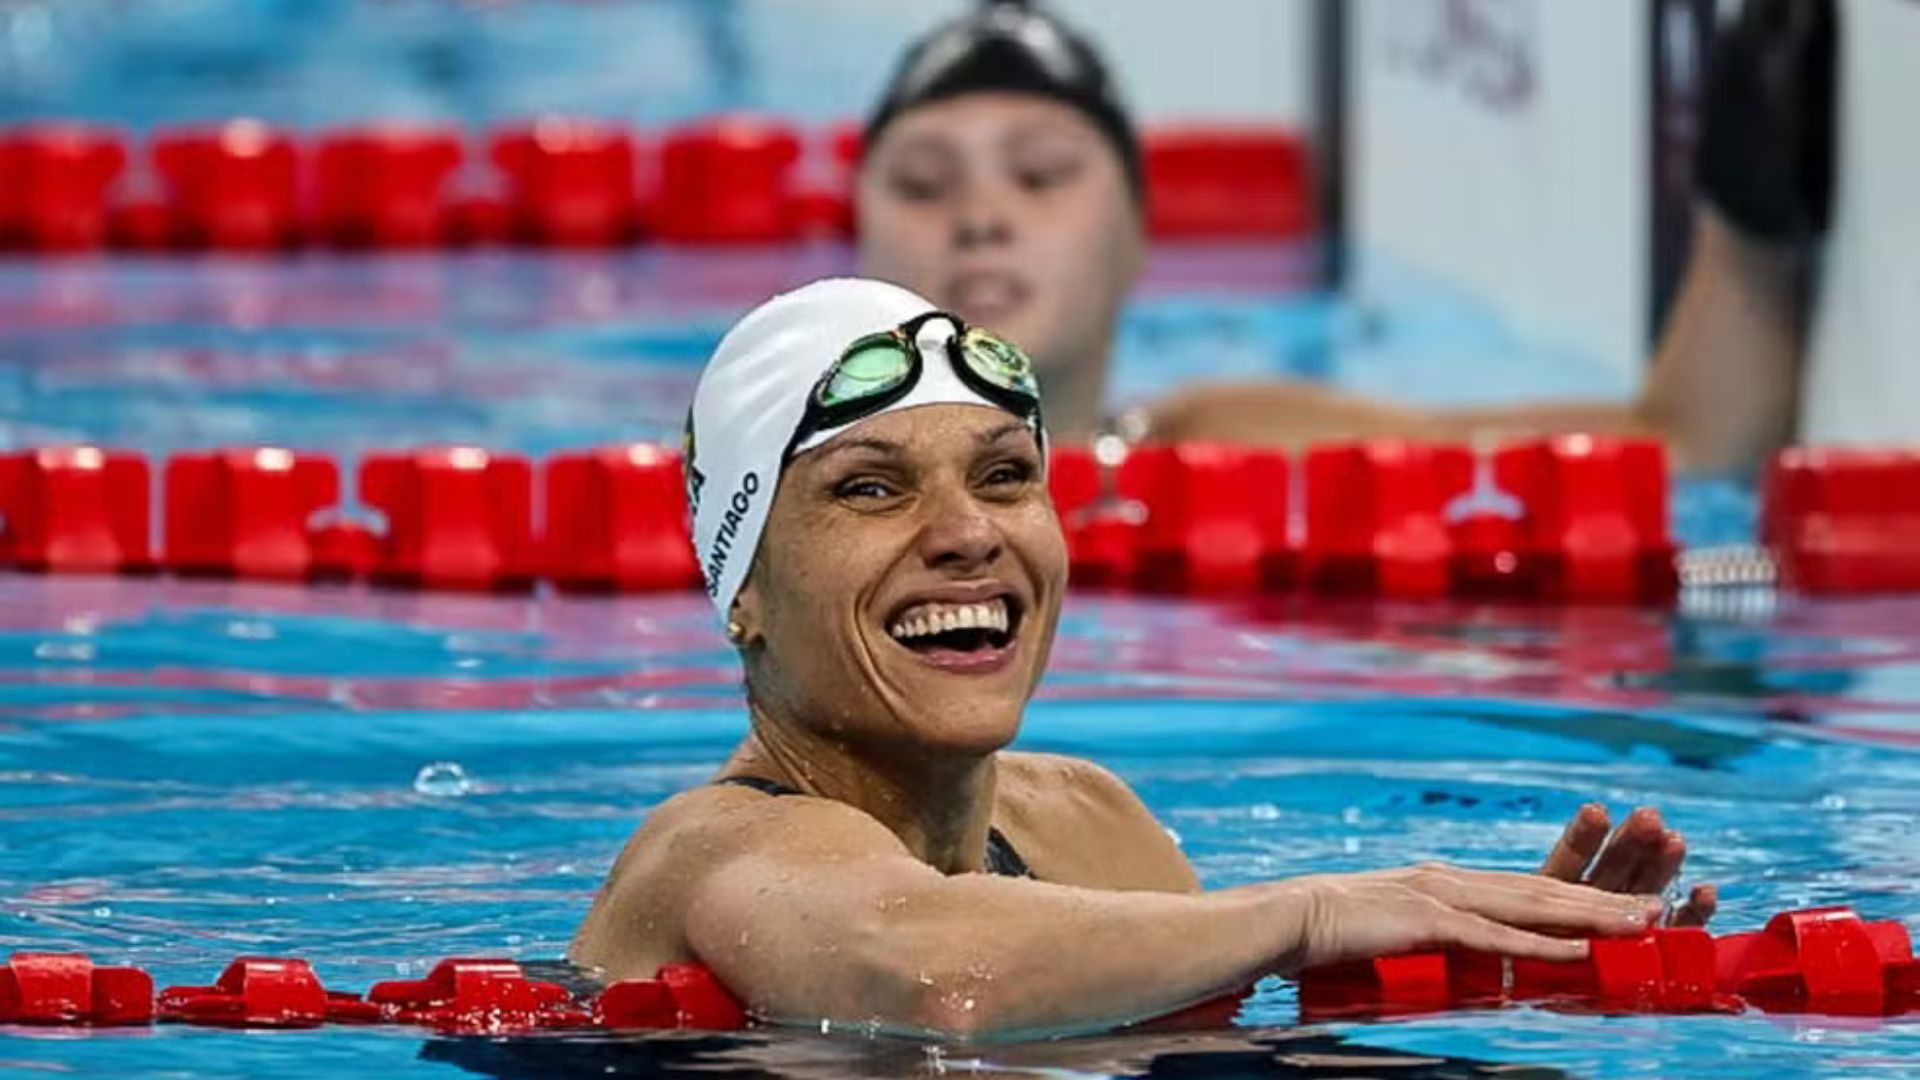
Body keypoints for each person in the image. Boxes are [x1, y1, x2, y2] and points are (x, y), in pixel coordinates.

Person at [570, 277, 1713, 1037]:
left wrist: (1494, 980)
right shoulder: (712, 852)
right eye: (871, 488)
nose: (970, 531)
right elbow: (923, 974)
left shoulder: (1087, 824)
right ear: (744, 595)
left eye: (1006, 475)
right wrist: (1318, 914)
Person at [1150, 0, 1917, 476]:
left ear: (1132, 230)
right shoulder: (1165, 458)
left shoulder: (1202, 439)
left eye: (1048, 175)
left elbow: (1684, 442)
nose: (1020, 221)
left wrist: (1744, 228)